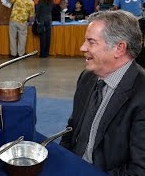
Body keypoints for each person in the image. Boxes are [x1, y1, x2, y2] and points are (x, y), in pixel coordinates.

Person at [60, 10, 145, 175]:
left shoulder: (142, 95)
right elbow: (72, 129)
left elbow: (139, 170)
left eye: (91, 42)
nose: (82, 47)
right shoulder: (87, 77)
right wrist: (64, 160)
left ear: (119, 48)